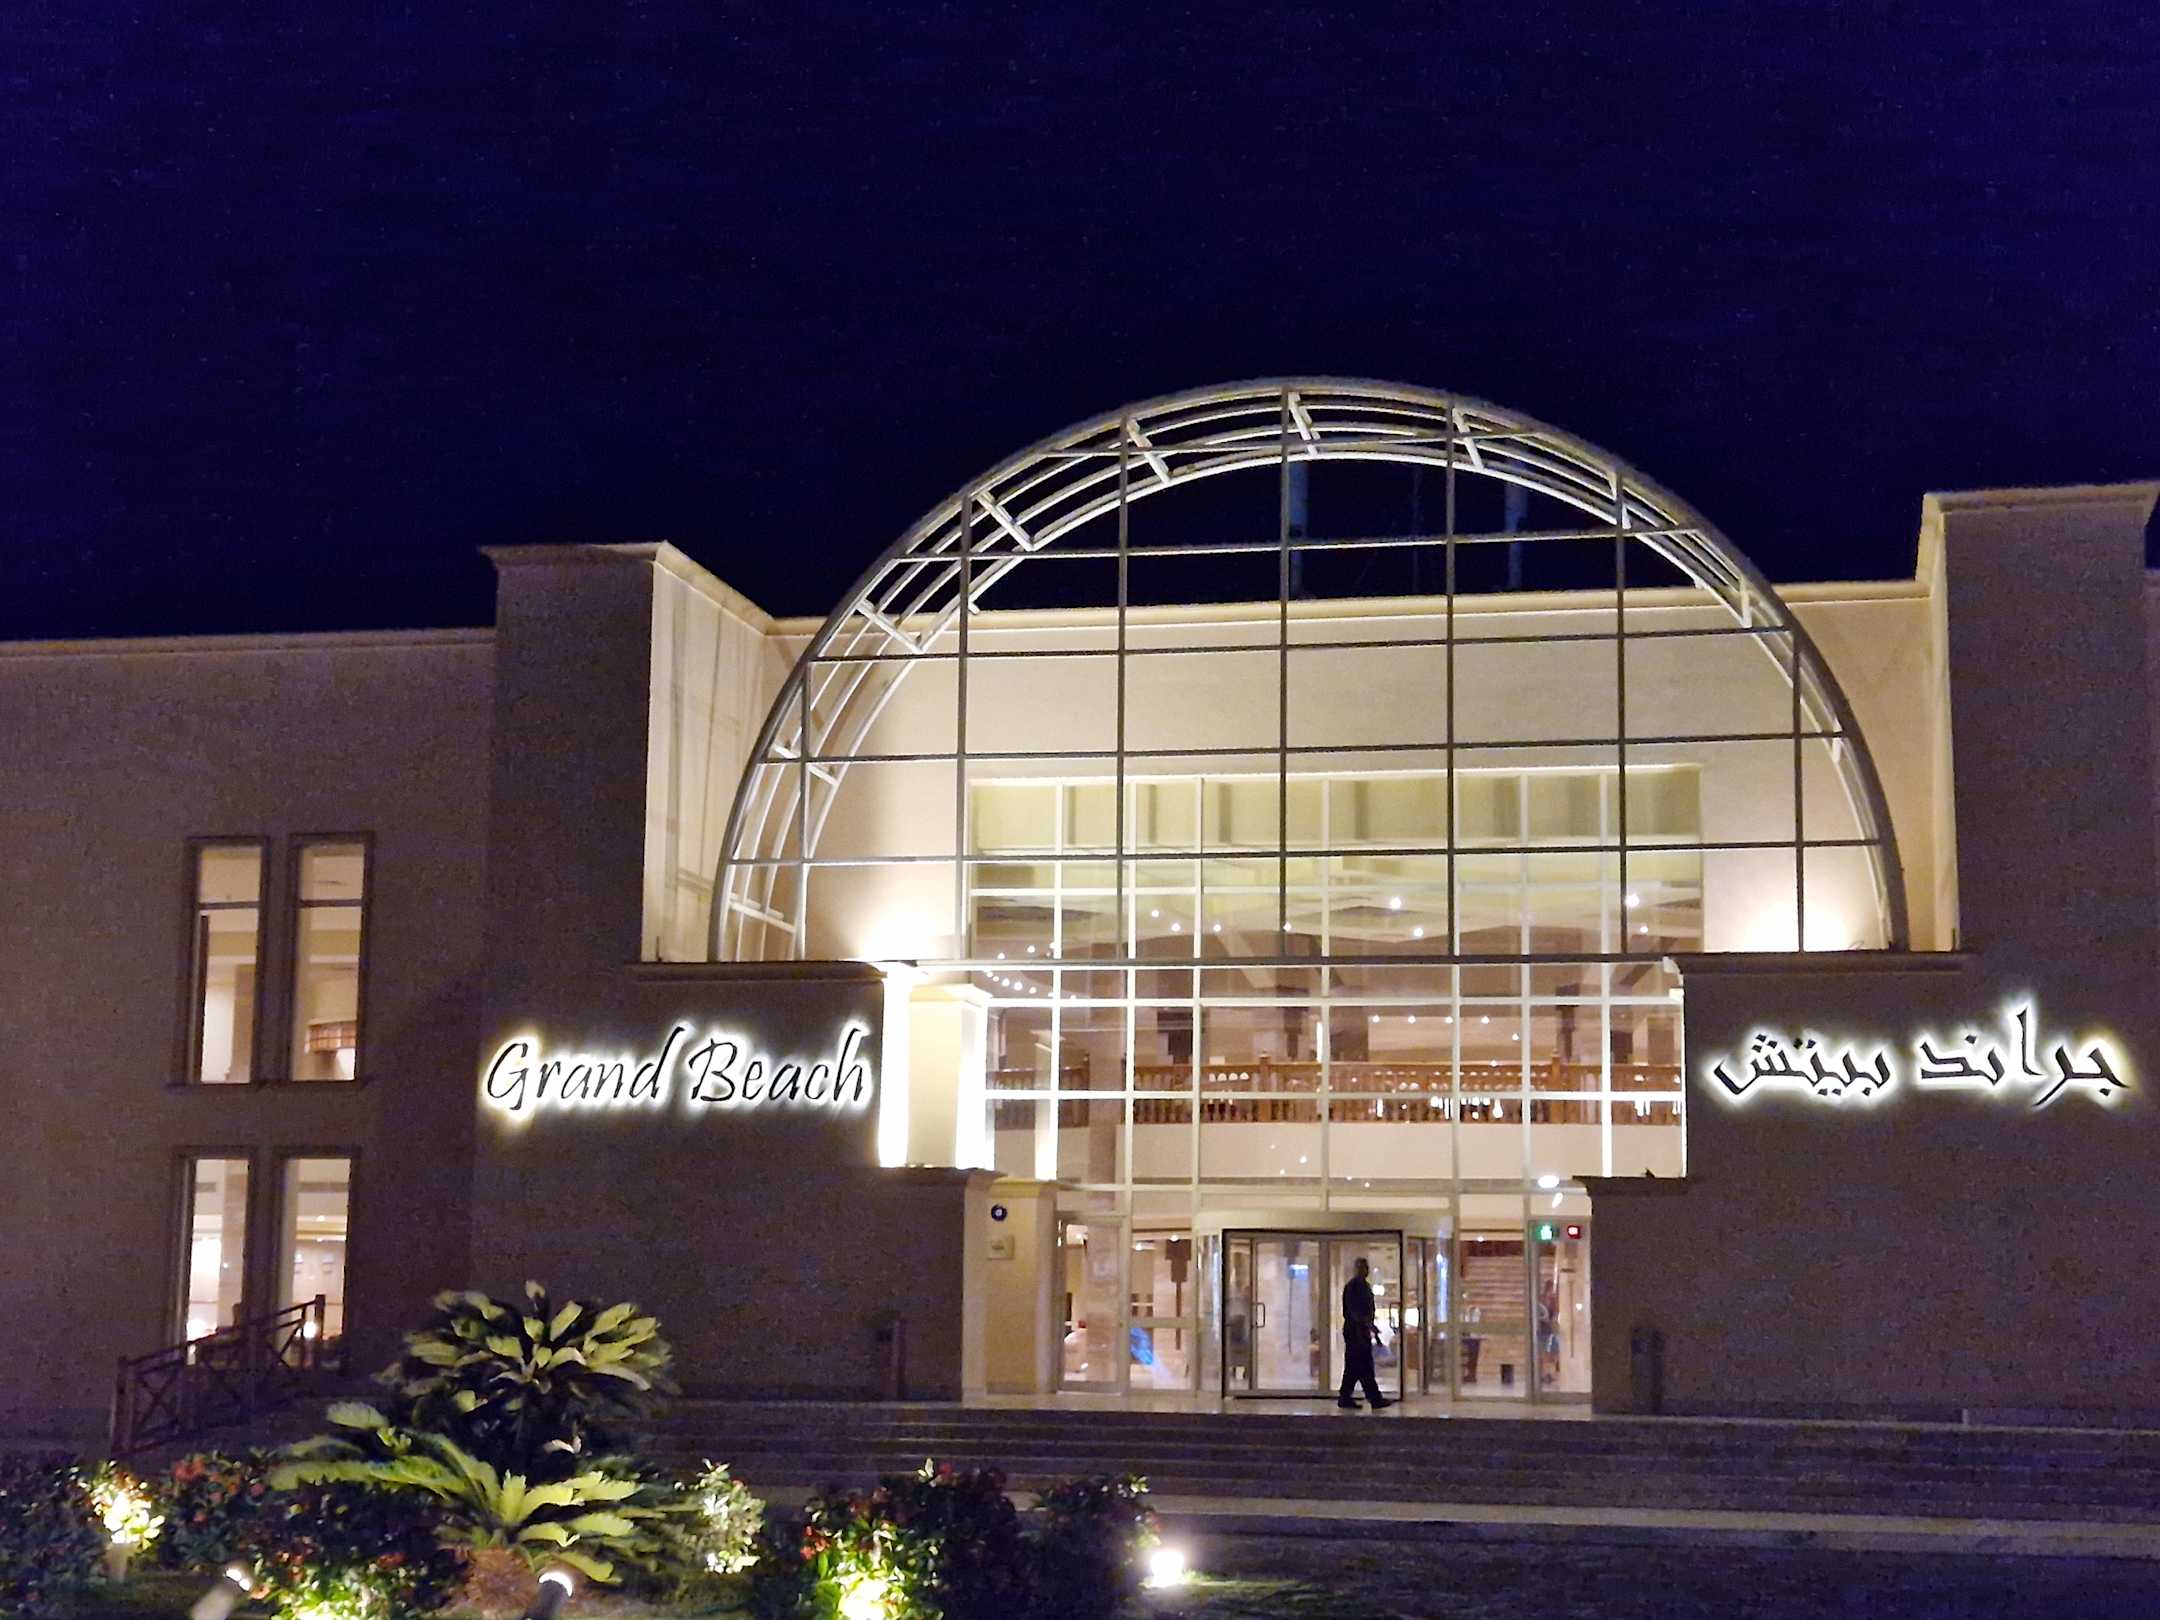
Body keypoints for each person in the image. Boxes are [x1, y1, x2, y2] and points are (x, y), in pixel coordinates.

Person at [1336, 1257, 1392, 1410]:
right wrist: (1366, 1325)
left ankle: (1349, 1396)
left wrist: (1370, 1326)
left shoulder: (1362, 1286)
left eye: (1366, 1267)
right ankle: (1372, 1398)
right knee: (1362, 1365)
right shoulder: (1355, 1287)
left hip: (1359, 1330)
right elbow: (1354, 1311)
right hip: (1356, 1332)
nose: (1365, 1270)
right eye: (1362, 1267)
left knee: (1356, 1366)